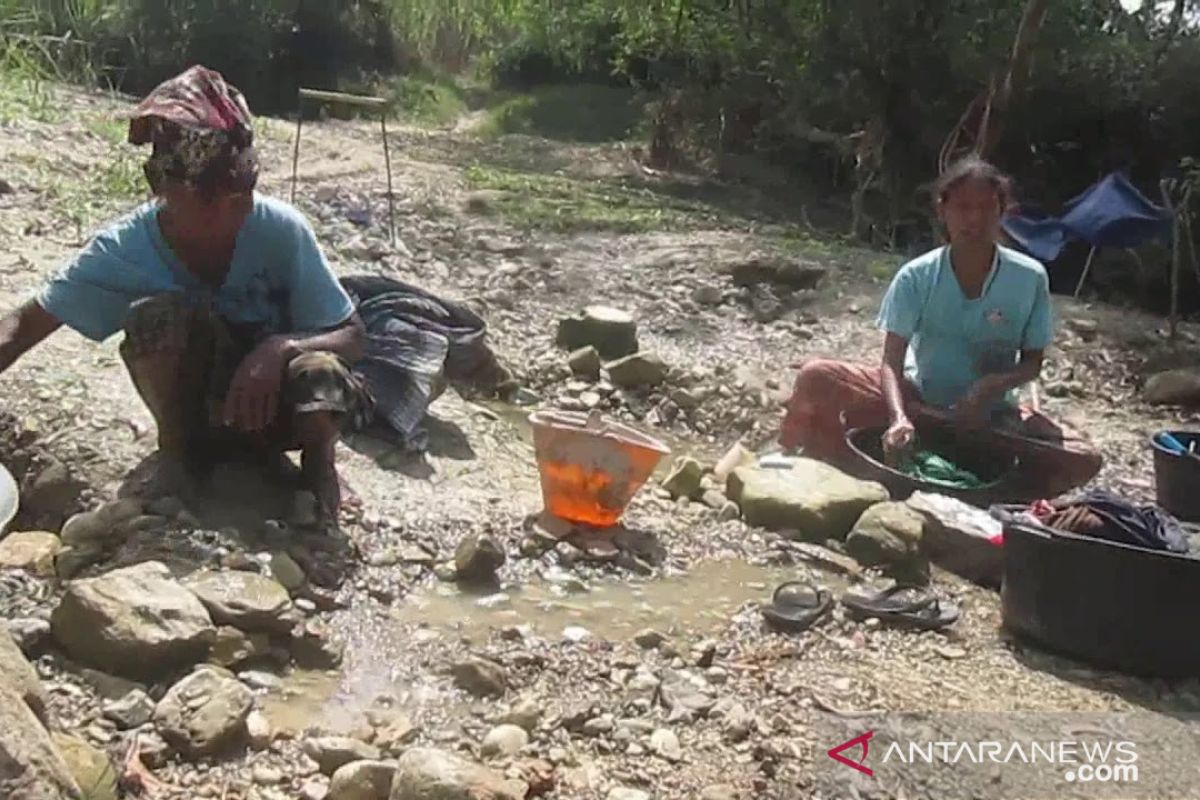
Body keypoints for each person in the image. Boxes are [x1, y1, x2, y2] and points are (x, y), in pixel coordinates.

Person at [0, 65, 373, 522]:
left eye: (240, 196)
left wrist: (280, 348)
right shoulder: (127, 247)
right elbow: (24, 324)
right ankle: (178, 460)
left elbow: (352, 334)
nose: (232, 210)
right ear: (165, 188)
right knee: (158, 317)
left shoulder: (281, 229)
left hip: (277, 416)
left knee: (323, 369)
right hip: (198, 415)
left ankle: (319, 467)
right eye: (209, 199)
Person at [780, 155, 1102, 499]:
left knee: (1083, 457)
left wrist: (991, 387)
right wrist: (899, 416)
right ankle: (829, 463)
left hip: (991, 416)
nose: (974, 219)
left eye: (985, 208)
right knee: (817, 377)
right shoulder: (917, 276)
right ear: (942, 211)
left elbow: (1032, 362)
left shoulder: (1029, 278)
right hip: (918, 399)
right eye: (963, 207)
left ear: (1003, 212)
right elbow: (890, 360)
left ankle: (995, 485)